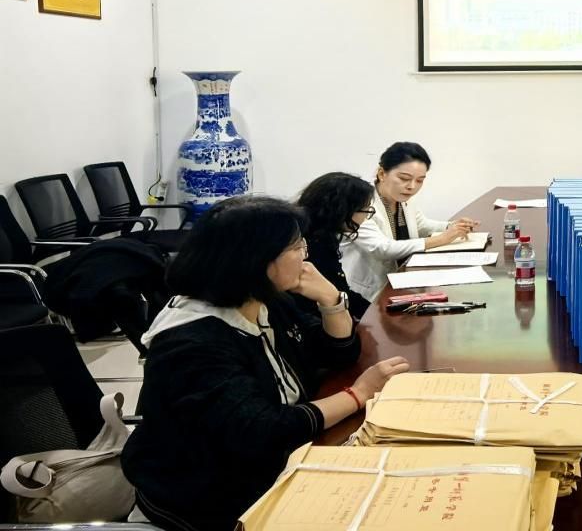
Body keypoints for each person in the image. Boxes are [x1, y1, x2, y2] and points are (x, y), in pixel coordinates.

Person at [121, 196, 411, 531]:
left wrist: (331, 300)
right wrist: (357, 394)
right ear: (256, 259)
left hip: (273, 463)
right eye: (296, 247)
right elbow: (264, 432)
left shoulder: (262, 301)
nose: (305, 254)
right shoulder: (192, 343)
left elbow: (336, 354)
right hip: (208, 498)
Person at [342, 141, 478, 302]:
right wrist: (442, 239)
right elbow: (382, 248)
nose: (412, 186)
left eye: (420, 180)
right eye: (404, 178)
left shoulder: (402, 199)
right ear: (382, 173)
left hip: (403, 282)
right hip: (367, 295)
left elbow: (421, 225)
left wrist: (452, 226)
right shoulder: (362, 203)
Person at [296, 172, 375, 319]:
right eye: (365, 209)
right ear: (343, 210)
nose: (366, 216)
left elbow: (341, 291)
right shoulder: (313, 246)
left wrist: (377, 312)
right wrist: (377, 314)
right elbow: (337, 294)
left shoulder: (318, 235)